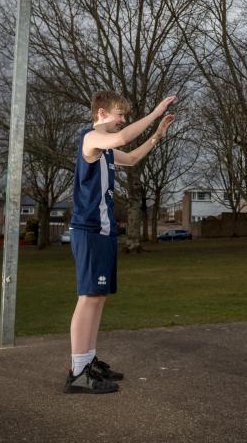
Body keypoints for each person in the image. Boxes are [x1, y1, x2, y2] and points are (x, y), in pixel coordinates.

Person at [64, 91, 176, 394]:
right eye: (119, 115)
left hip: (104, 231)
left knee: (98, 297)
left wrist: (158, 134)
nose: (123, 120)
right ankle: (77, 373)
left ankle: (88, 361)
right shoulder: (90, 138)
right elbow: (124, 139)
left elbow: (134, 156)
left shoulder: (107, 150)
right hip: (87, 230)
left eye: (125, 116)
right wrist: (154, 114)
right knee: (87, 297)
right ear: (101, 113)